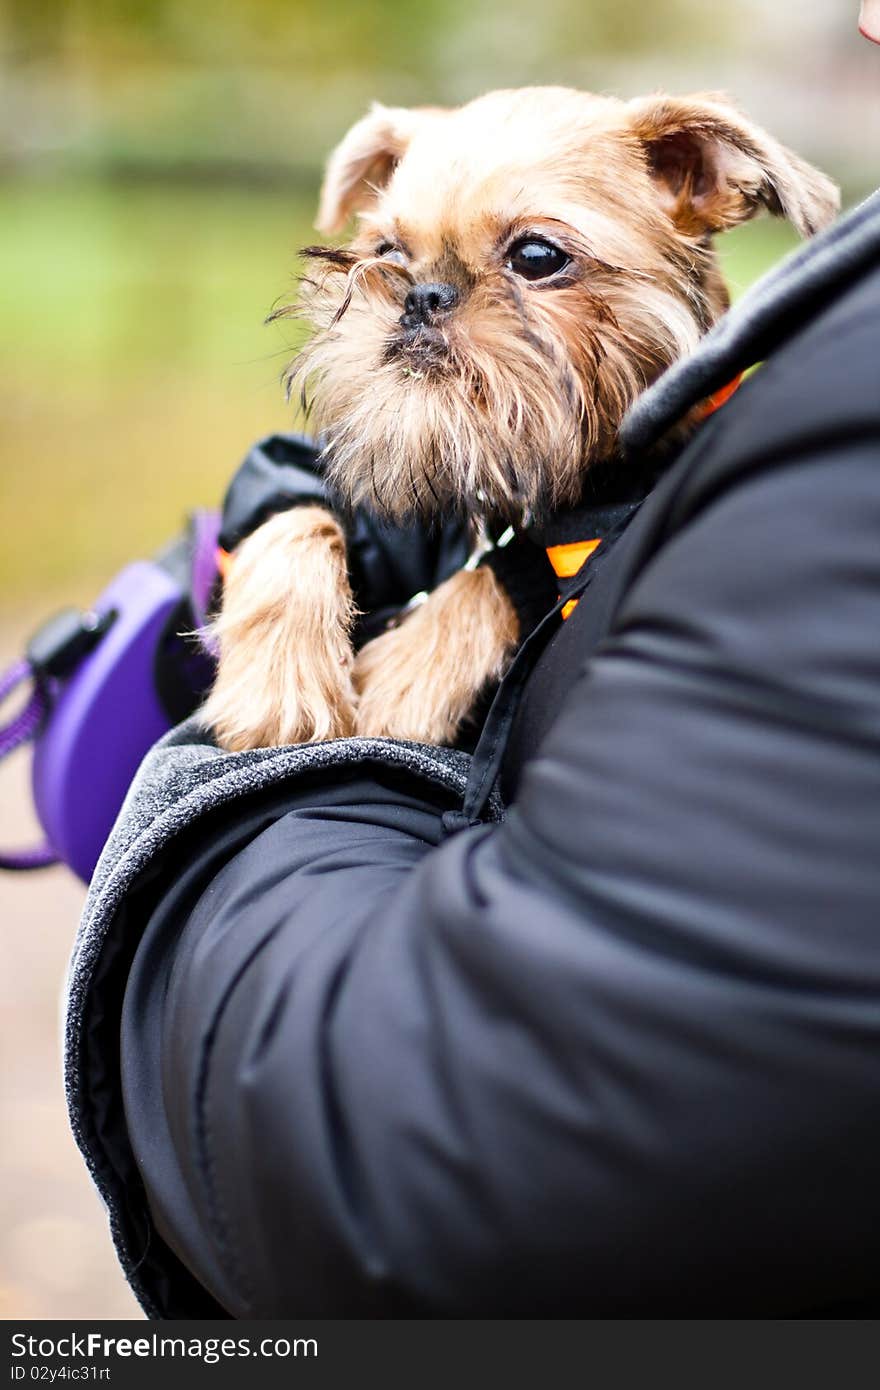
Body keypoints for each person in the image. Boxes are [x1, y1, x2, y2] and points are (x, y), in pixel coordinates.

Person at [65, 8, 880, 1317]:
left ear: (701, 192)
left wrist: (471, 611)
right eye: (390, 262)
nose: (429, 303)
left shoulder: (766, 455)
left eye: (539, 259)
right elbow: (313, 480)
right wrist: (284, 565)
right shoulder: (444, 447)